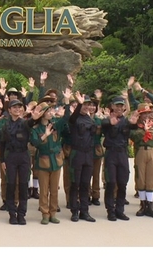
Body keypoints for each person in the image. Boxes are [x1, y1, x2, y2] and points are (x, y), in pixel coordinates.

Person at [29, 101, 68, 224]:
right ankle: (45, 213)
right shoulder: (36, 129)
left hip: (56, 160)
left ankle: (53, 213)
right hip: (43, 161)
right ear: (42, 114)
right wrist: (45, 135)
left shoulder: (55, 124)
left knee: (54, 190)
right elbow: (35, 143)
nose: (51, 113)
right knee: (44, 190)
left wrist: (66, 102)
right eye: (48, 111)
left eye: (51, 110)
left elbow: (66, 118)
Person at [101, 96, 138, 221]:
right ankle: (110, 210)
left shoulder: (126, 121)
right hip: (111, 153)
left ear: (124, 107)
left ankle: (120, 210)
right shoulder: (108, 119)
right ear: (112, 106)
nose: (119, 108)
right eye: (117, 106)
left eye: (121, 106)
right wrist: (110, 123)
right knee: (111, 183)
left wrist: (134, 123)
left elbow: (134, 126)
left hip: (122, 153)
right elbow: (103, 124)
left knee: (122, 183)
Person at [64, 90, 99, 222]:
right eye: (84, 104)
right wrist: (79, 104)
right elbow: (71, 119)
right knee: (75, 183)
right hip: (77, 153)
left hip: (88, 154)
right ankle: (74, 211)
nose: (86, 106)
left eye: (88, 104)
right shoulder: (75, 118)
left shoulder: (90, 119)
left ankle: (84, 211)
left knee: (85, 184)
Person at [0, 99, 32, 225]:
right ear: (9, 110)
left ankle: (22, 214)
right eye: (14, 107)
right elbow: (2, 144)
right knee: (11, 185)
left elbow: (32, 122)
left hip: (23, 155)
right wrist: (2, 160)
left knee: (23, 185)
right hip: (11, 156)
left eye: (19, 107)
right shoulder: (6, 125)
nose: (17, 109)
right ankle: (12, 213)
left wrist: (34, 116)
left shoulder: (25, 123)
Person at [130, 102, 153, 219]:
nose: (146, 115)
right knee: (141, 178)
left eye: (148, 113)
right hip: (141, 151)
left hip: (152, 151)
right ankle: (143, 204)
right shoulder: (135, 126)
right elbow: (133, 137)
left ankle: (150, 205)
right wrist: (143, 130)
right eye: (144, 113)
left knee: (151, 178)